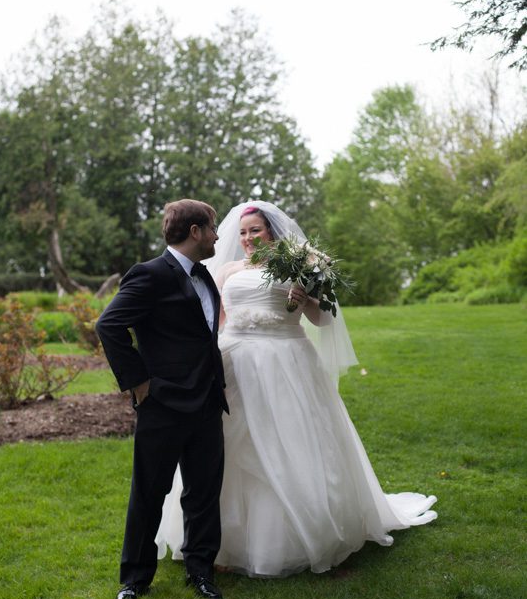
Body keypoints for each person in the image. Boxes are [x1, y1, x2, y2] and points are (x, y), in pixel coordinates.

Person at [155, 200, 437, 578]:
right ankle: (217, 541)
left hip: (285, 360)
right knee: (225, 448)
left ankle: (292, 538)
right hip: (236, 361)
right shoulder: (226, 271)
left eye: (255, 230)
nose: (248, 238)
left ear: (272, 231)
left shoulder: (300, 266)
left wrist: (307, 301)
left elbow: (323, 320)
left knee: (286, 440)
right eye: (243, 232)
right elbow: (215, 319)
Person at [97, 199, 228, 599]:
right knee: (149, 492)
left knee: (204, 493)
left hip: (207, 400)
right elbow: (109, 325)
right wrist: (138, 382)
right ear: (195, 231)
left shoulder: (204, 276)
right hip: (164, 404)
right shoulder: (150, 274)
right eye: (213, 227)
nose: (218, 235)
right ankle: (135, 579)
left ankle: (201, 571)